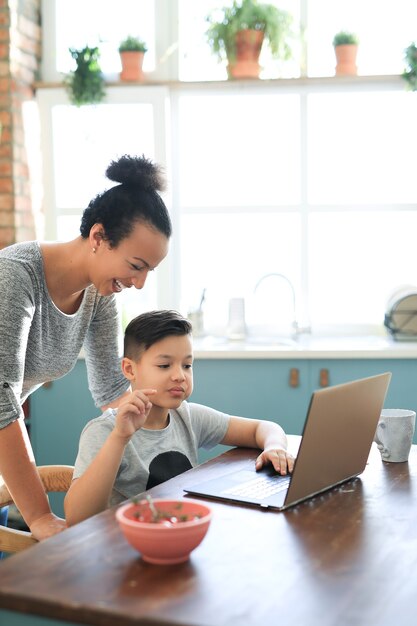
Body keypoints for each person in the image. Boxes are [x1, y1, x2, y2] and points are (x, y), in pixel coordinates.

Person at [0, 155, 171, 541]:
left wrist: (160, 451)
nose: (139, 283)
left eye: (149, 271)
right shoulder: (14, 277)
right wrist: (41, 517)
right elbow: (1, 399)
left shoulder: (99, 293)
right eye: (136, 265)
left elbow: (113, 393)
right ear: (98, 237)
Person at [64, 309, 295, 526]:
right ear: (129, 369)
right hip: (127, 547)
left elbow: (262, 428)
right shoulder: (103, 431)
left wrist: (274, 446)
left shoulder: (188, 416)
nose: (179, 376)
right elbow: (78, 517)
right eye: (164, 365)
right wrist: (120, 437)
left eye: (187, 365)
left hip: (182, 533)